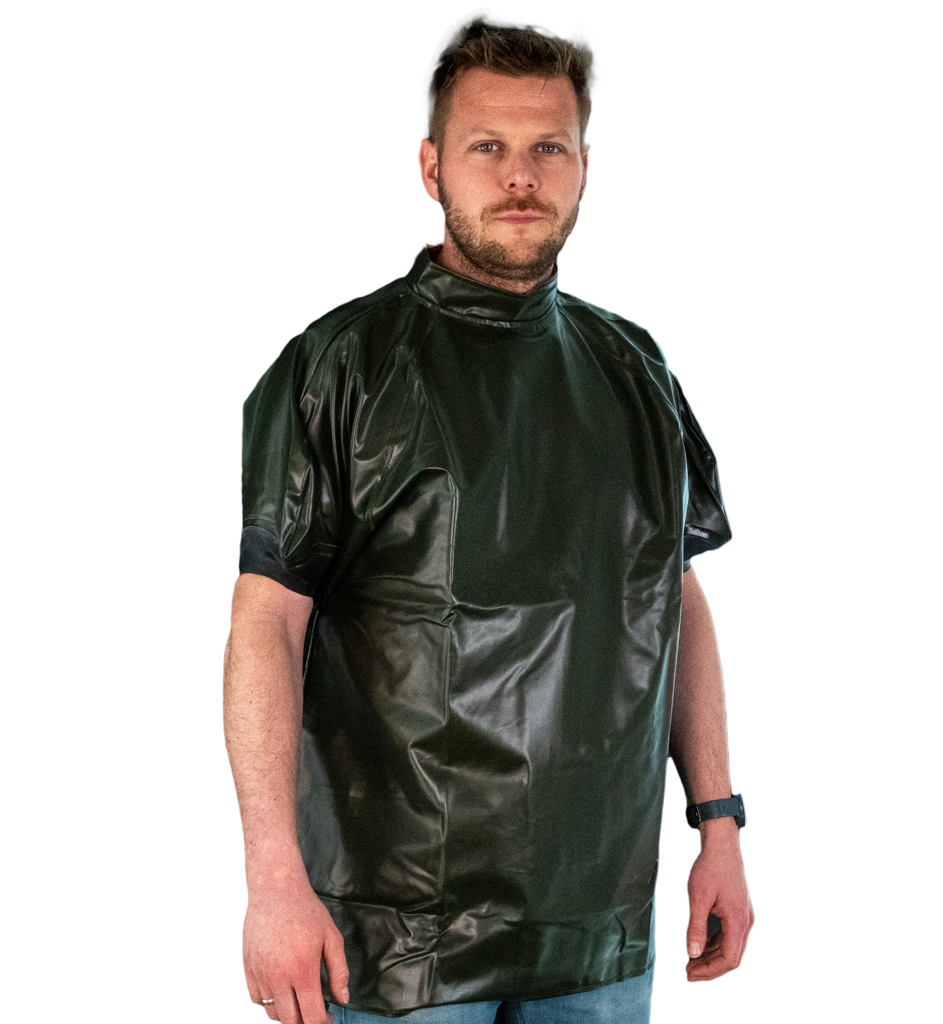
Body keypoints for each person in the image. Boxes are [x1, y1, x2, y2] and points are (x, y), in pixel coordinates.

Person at [223, 16, 754, 1024]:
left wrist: (719, 825)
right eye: (487, 147)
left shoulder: (635, 372)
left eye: (547, 146)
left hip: (599, 929)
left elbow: (676, 601)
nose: (519, 176)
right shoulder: (341, 367)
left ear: (584, 166)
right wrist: (274, 877)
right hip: (393, 936)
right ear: (432, 167)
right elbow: (266, 626)